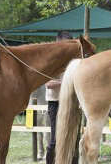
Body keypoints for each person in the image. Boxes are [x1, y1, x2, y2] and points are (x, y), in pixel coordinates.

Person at [45, 31, 71, 164]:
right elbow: (48, 84)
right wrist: (66, 81)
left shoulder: (72, 60)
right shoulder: (51, 61)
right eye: (64, 44)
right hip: (55, 103)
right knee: (55, 139)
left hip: (71, 102)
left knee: (71, 138)